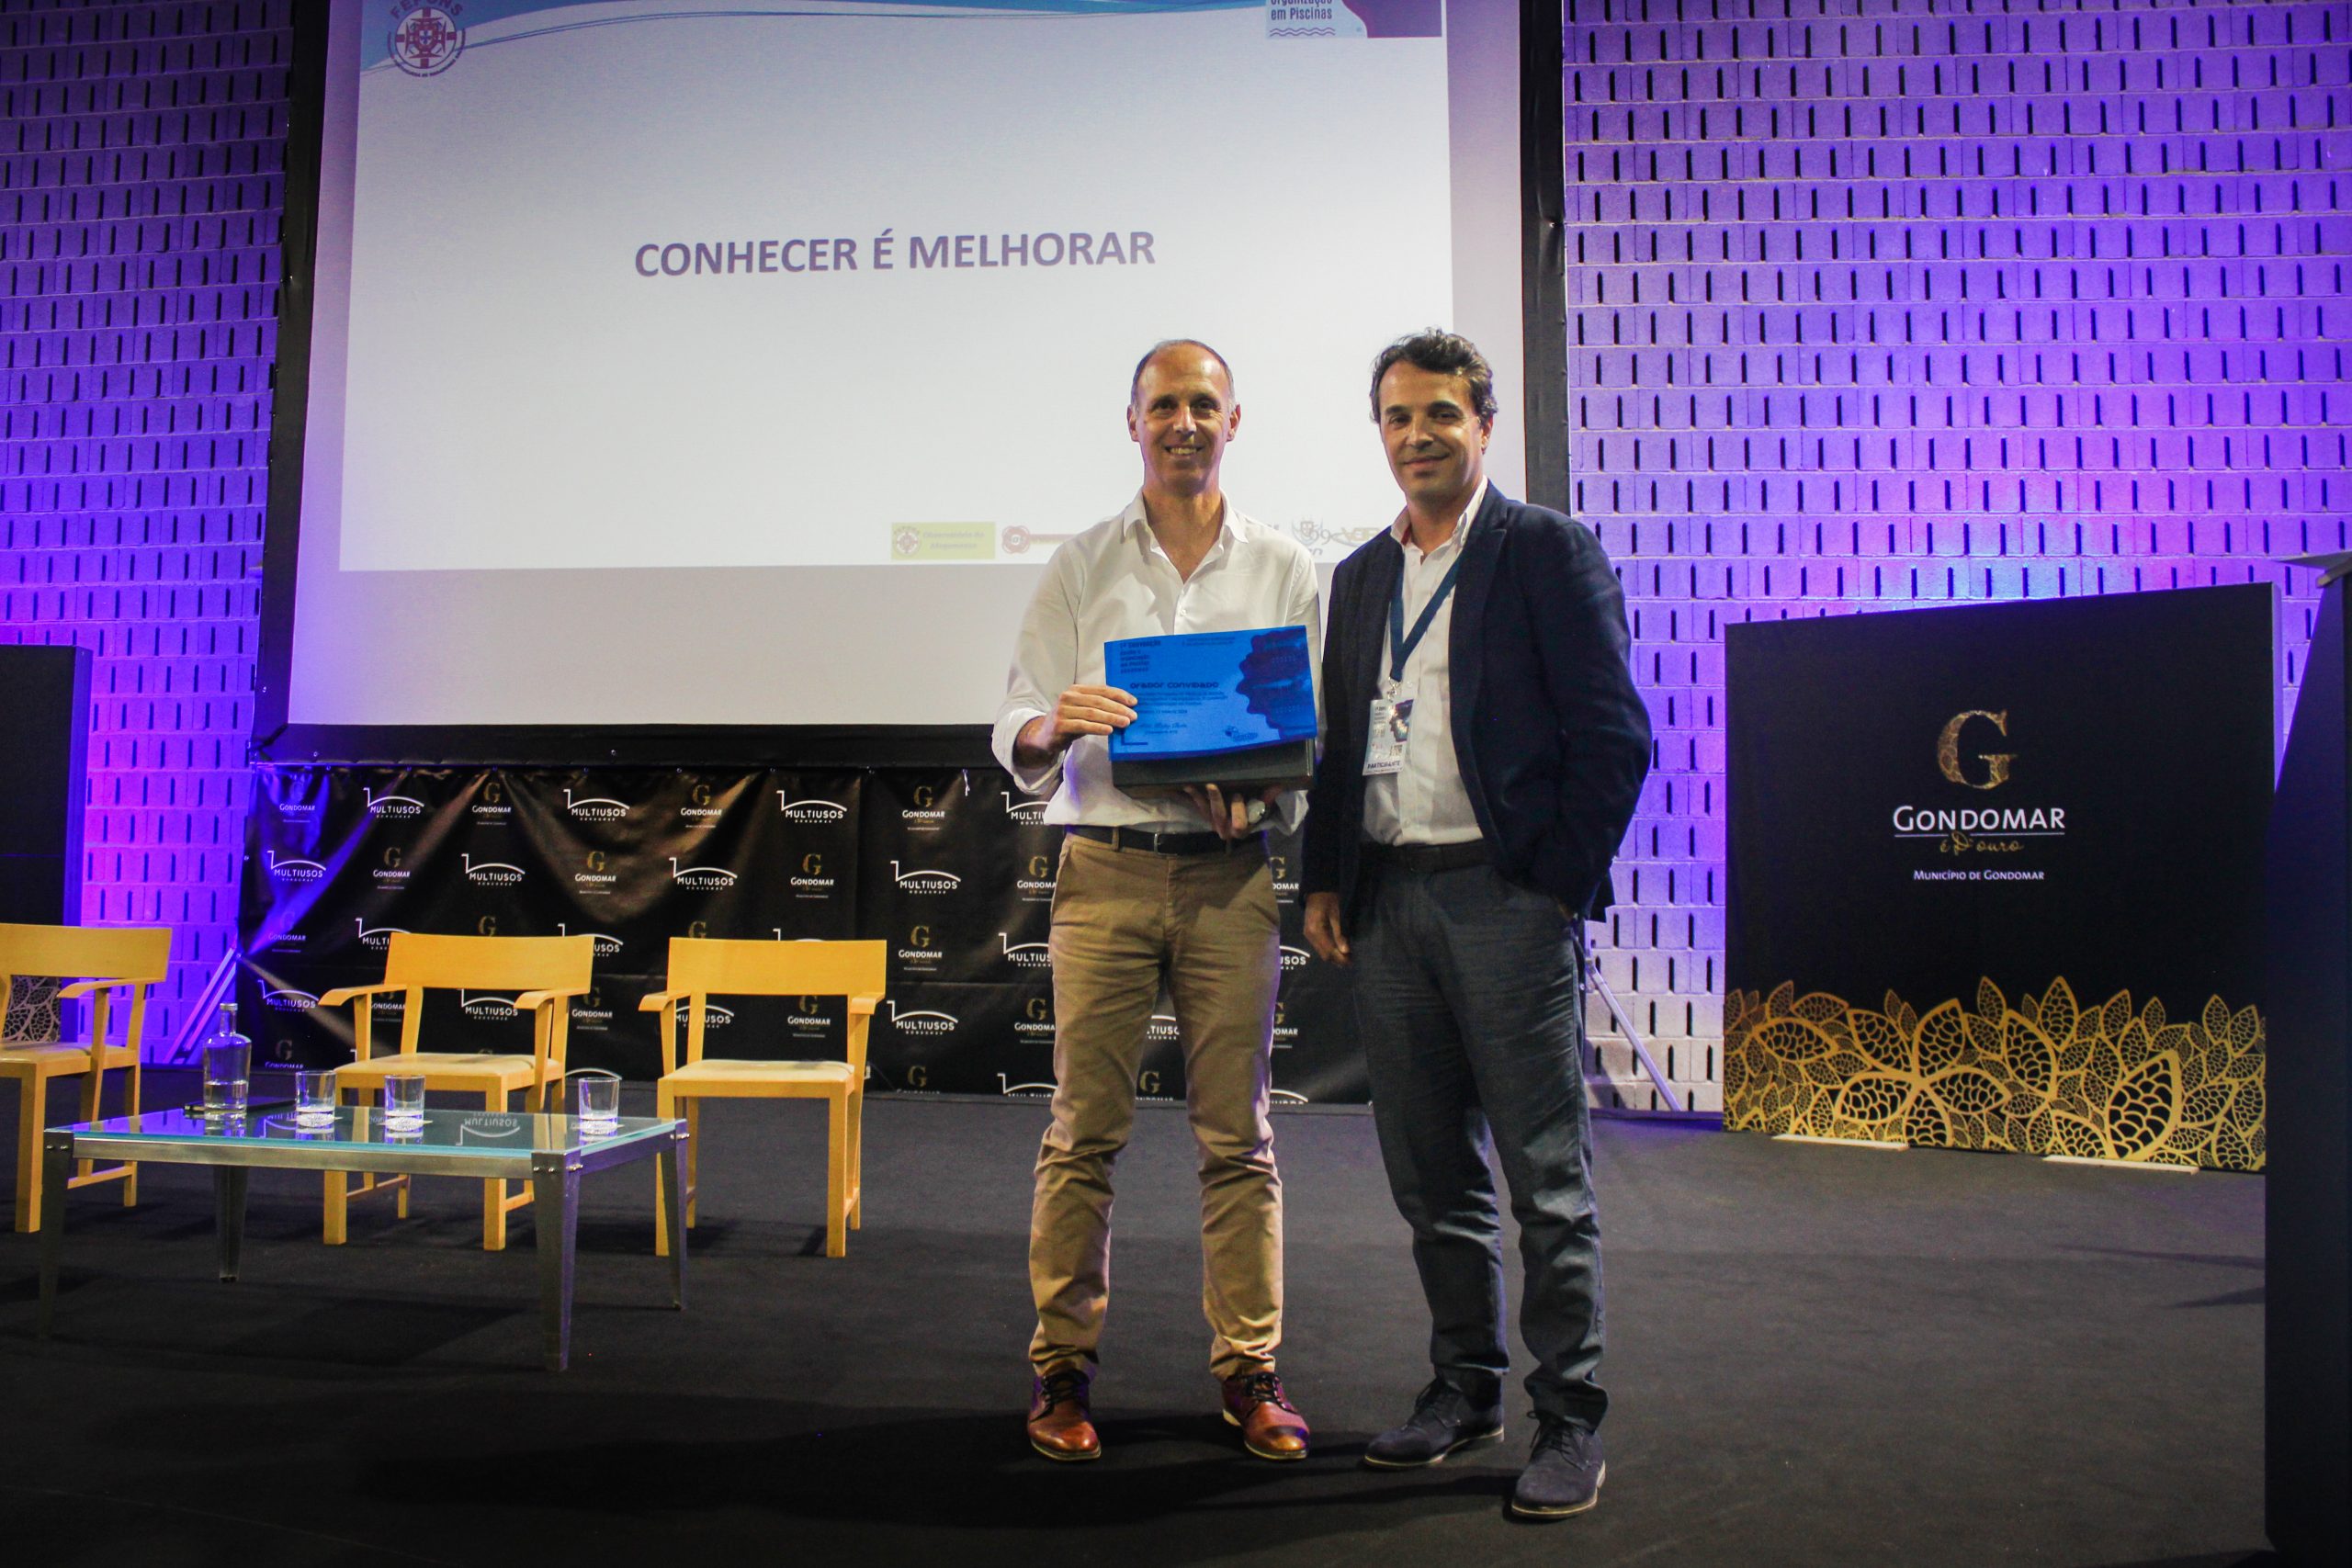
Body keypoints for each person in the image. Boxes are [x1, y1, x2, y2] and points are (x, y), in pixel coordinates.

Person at [1302, 330, 1650, 1518]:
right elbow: (1341, 746)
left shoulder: (1544, 549)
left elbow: (1612, 734)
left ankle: (1570, 1413)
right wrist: (1327, 879)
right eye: (1398, 417)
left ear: (1484, 425)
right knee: (1429, 1172)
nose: (1418, 437)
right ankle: (1463, 1386)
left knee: (1545, 1180)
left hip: (1506, 898)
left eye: (1440, 414)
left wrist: (1553, 884)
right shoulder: (1359, 576)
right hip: (1390, 901)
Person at [993, 340, 1321, 1464]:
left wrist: (1260, 794)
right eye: (1164, 404)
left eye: (1203, 404)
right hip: (1107, 869)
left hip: (1231, 878)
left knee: (1239, 1137)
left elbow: (1308, 736)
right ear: (1131, 421)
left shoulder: (1284, 564)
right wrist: (1056, 722)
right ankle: (1060, 1370)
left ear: (1235, 421)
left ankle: (1250, 1371)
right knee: (1082, 1132)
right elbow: (1016, 715)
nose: (1184, 421)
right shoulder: (1081, 563)